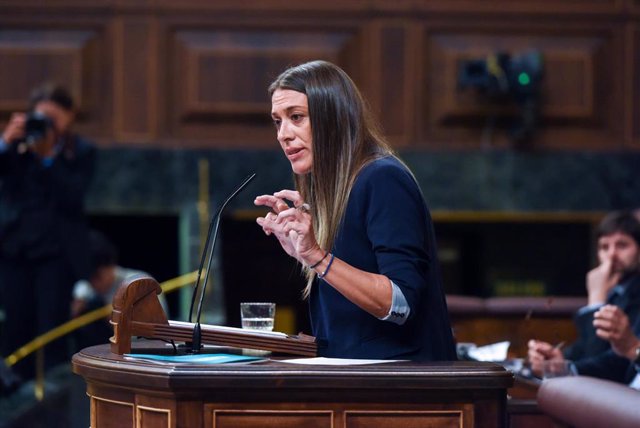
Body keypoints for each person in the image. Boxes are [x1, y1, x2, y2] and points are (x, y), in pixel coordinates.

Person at [254, 60, 456, 361]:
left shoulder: (382, 178)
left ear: (331, 118)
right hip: (354, 381)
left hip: (405, 390)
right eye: (278, 121)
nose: (284, 133)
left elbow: (401, 304)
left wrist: (317, 257)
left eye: (296, 117)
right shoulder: (333, 190)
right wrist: (301, 250)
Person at [0, 84, 96, 379]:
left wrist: (47, 158)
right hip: (14, 252)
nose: (46, 127)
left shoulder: (80, 152)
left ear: (69, 117)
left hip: (56, 257)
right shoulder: (17, 147)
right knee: (15, 328)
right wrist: (5, 142)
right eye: (42, 119)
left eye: (54, 120)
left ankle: (52, 404)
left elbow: (74, 197)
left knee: (52, 331)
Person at [528, 210, 640, 376]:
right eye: (604, 247)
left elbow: (605, 360)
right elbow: (583, 348)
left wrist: (596, 299)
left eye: (622, 245)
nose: (611, 255)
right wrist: (558, 360)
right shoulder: (617, 293)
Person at [71, 230, 162, 350]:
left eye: (98, 277)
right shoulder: (85, 290)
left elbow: (157, 333)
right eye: (90, 279)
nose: (95, 284)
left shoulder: (140, 284)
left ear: (111, 265)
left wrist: (116, 321)